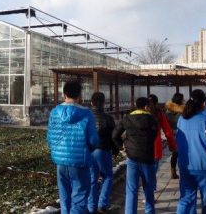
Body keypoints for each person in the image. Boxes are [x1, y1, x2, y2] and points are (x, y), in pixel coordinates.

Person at [47, 80, 100, 213]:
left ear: (64, 94)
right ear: (79, 96)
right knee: (80, 197)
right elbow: (93, 140)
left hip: (60, 162)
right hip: (79, 162)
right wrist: (88, 150)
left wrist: (57, 150)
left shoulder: (54, 112)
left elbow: (50, 138)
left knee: (64, 197)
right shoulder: (87, 114)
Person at [176, 89, 206, 214]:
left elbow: (178, 139)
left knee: (186, 199)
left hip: (185, 164)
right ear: (203, 103)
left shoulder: (181, 119)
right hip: (204, 165)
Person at [112, 97, 158, 214]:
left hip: (132, 157)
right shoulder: (152, 119)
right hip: (147, 157)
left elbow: (115, 135)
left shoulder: (127, 118)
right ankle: (149, 211)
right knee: (148, 187)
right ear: (146, 107)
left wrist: (122, 146)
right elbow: (154, 135)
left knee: (131, 188)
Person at [87, 92, 118, 214]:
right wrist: (115, 149)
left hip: (89, 152)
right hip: (103, 150)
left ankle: (91, 207)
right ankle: (102, 204)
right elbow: (114, 136)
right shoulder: (108, 118)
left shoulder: (86, 118)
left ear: (91, 103)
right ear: (104, 103)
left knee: (92, 179)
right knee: (108, 176)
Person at [148, 94, 176, 189]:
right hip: (156, 146)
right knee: (153, 170)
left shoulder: (142, 112)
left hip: (140, 147)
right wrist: (172, 145)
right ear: (156, 102)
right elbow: (167, 131)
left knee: (145, 171)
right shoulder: (159, 113)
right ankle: (150, 190)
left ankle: (149, 190)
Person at [165, 93, 185, 179]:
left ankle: (173, 172)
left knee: (175, 154)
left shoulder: (168, 110)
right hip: (182, 133)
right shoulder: (182, 111)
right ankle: (183, 171)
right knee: (183, 153)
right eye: (183, 99)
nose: (184, 100)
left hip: (172, 133)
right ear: (180, 100)